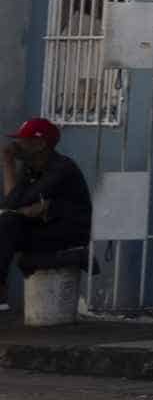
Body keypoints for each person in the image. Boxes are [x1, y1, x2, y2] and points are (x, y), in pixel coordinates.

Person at [0, 117, 93, 316]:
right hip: (44, 229)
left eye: (22, 141)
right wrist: (8, 165)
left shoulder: (61, 168)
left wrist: (7, 162)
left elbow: (14, 204)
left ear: (40, 144)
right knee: (6, 222)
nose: (16, 145)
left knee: (7, 222)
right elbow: (12, 203)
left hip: (67, 236)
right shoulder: (32, 169)